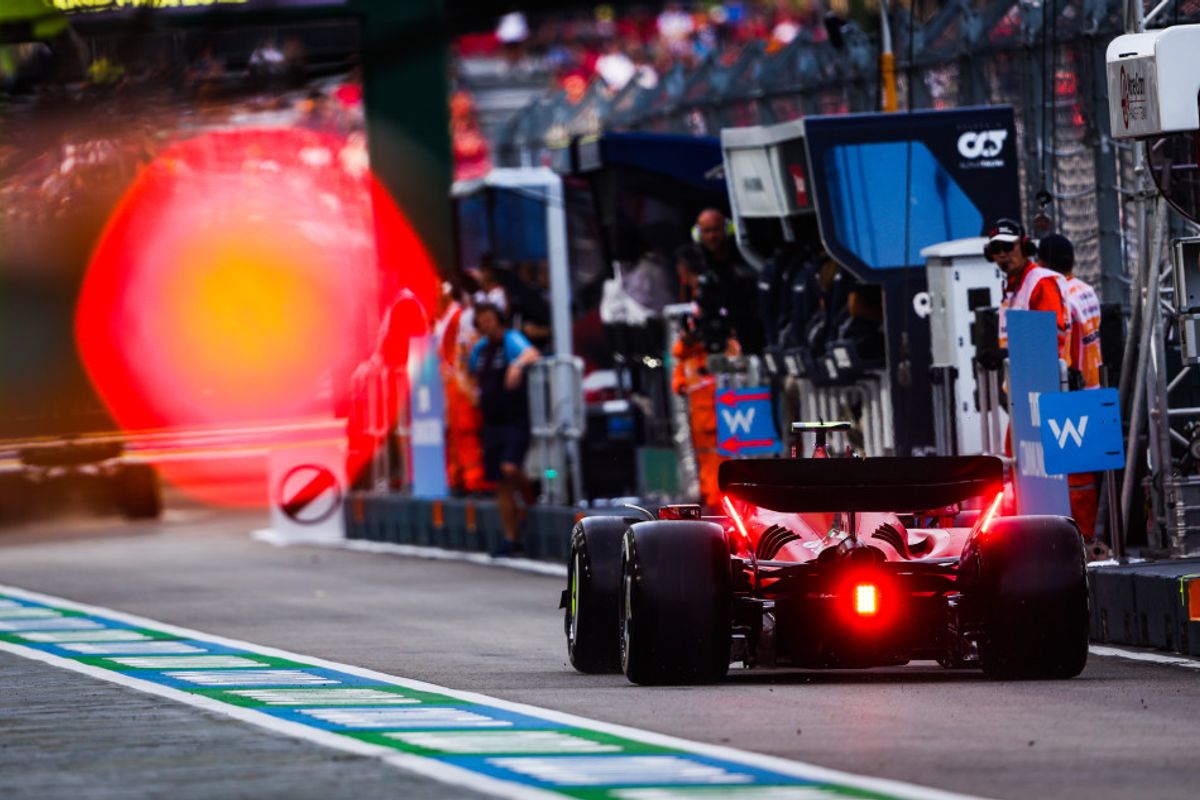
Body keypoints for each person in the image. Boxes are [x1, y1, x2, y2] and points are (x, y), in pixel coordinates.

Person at [1039, 233, 1104, 544]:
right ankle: (1089, 534)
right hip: (1093, 387)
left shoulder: (1063, 294)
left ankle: (1082, 537)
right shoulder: (1087, 290)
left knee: (1075, 477)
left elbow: (1060, 339)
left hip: (1072, 392)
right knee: (1088, 475)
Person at [469, 302, 540, 556]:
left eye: (490, 319)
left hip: (515, 418)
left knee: (510, 467)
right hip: (491, 421)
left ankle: (532, 495)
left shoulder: (511, 340)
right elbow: (470, 373)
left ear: (498, 319)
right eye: (481, 320)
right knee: (500, 481)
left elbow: (532, 353)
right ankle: (511, 538)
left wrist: (517, 365)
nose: (486, 324)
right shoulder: (480, 349)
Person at [989, 218, 1070, 364]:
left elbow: (1051, 339)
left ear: (1024, 248)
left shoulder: (1040, 283)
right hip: (1021, 379)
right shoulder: (1012, 286)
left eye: (1007, 247)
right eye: (996, 249)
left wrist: (1009, 353)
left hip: (1044, 379)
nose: (1002, 254)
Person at [692, 208, 766, 354]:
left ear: (727, 229)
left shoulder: (746, 255)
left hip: (754, 324)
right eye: (707, 231)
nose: (712, 236)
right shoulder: (699, 262)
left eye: (716, 230)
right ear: (699, 234)